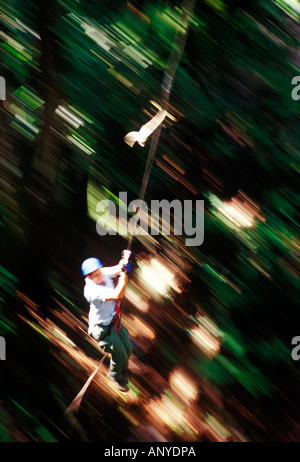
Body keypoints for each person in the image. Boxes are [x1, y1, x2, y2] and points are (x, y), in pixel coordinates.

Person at [81, 252, 133, 392]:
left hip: (112, 319)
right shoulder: (91, 291)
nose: (100, 276)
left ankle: (121, 369)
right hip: (101, 328)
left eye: (99, 272)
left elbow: (118, 268)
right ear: (88, 277)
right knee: (120, 354)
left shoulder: (101, 272)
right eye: (96, 275)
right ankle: (114, 375)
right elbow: (117, 294)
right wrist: (124, 275)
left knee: (129, 348)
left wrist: (125, 259)